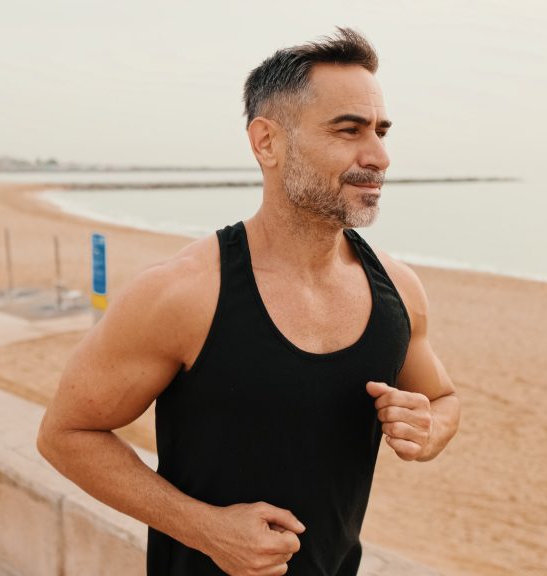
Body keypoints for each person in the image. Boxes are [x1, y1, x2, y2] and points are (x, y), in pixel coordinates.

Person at [37, 27, 460, 576]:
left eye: (380, 130)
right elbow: (65, 434)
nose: (379, 155)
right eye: (348, 130)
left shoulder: (398, 290)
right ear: (267, 143)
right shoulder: (184, 292)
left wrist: (428, 429)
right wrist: (204, 529)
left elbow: (444, 399)